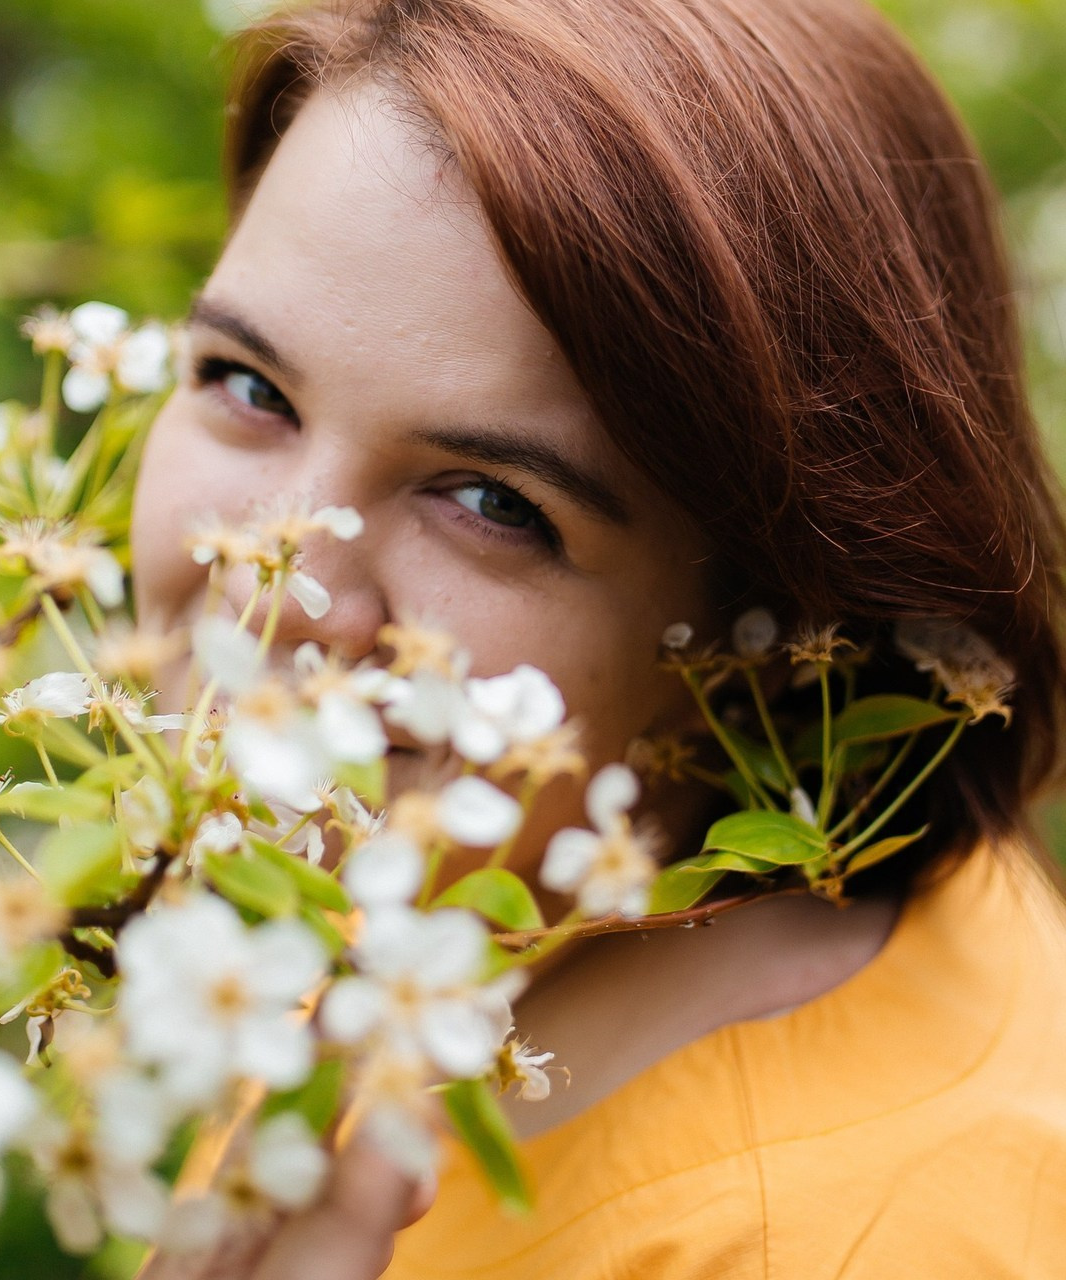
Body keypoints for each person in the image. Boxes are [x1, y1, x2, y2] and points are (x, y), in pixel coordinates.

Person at [129, 0, 1066, 1274]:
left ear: (783, 623)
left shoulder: (875, 1235)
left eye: (492, 502)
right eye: (249, 385)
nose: (280, 584)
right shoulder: (417, 885)